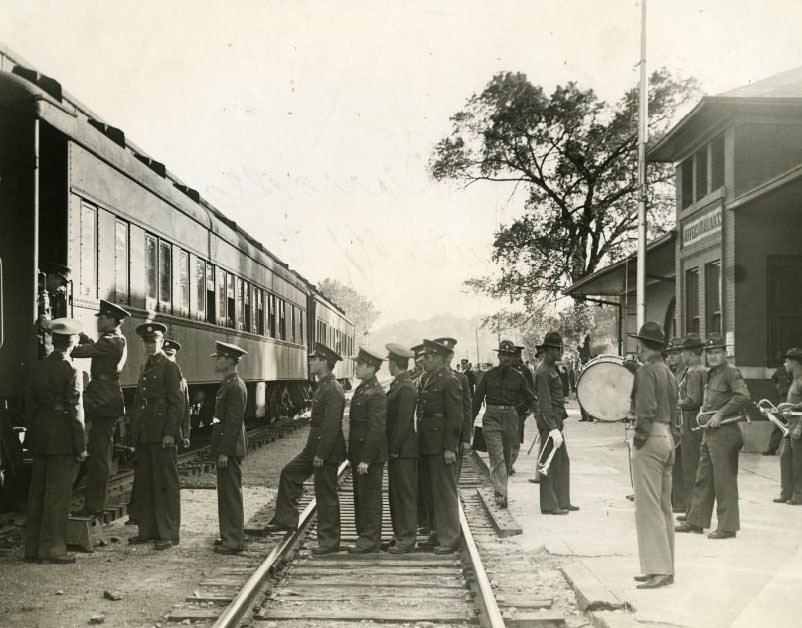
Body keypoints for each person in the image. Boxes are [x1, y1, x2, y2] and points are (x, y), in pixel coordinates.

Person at [263, 343, 346, 554]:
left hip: (326, 450)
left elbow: (331, 426)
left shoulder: (333, 389)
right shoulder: (323, 386)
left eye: (314, 359)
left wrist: (321, 454)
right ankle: (286, 520)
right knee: (289, 473)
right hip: (315, 447)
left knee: (325, 494)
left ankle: (329, 542)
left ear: (325, 362)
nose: (310, 362)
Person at [24, 318, 87, 564]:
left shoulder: (38, 367)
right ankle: (53, 549)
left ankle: (32, 548)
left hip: (40, 436)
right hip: (62, 438)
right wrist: (81, 446)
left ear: (54, 340)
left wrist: (35, 430)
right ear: (72, 343)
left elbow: (29, 406)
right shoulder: (72, 370)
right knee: (58, 495)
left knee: (37, 492)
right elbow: (75, 411)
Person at [677, 333, 750, 539]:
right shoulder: (711, 373)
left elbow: (743, 396)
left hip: (726, 433)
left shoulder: (731, 372)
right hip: (710, 433)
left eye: (717, 352)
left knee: (724, 481)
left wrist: (720, 414)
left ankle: (727, 527)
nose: (713, 356)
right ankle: (696, 521)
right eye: (710, 353)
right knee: (703, 478)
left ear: (725, 353)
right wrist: (704, 412)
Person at [628, 322, 678, 589]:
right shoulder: (668, 372)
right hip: (667, 436)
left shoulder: (647, 372)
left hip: (650, 438)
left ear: (642, 346)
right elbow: (676, 408)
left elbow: (645, 411)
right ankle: (665, 567)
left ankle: (657, 569)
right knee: (663, 507)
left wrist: (638, 440)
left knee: (647, 507)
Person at [70, 299, 130, 518]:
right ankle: (94, 503)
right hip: (102, 398)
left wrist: (65, 342)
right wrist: (81, 333)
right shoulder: (111, 339)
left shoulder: (113, 341)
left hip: (104, 401)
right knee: (98, 454)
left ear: (112, 320)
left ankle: (95, 506)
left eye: (102, 318)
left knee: (100, 457)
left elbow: (86, 350)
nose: (99, 321)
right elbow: (94, 344)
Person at [128, 322, 185, 550]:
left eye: (154, 341)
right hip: (146, 432)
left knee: (165, 484)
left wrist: (170, 432)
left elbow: (177, 403)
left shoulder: (169, 367)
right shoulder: (147, 365)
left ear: (161, 342)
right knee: (146, 483)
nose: (150, 345)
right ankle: (148, 530)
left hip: (162, 433)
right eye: (146, 342)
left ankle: (169, 533)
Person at [472, 339, 537, 508]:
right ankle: (501, 494)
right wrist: (468, 426)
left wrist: (530, 413)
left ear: (512, 356)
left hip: (511, 418)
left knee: (506, 458)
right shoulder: (489, 375)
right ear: (499, 356)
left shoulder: (519, 377)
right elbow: (476, 401)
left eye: (510, 355)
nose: (506, 359)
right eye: (503, 355)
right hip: (492, 418)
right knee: (497, 457)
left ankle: (501, 487)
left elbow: (531, 398)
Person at [418, 338, 463, 553]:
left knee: (444, 492)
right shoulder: (429, 378)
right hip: (428, 443)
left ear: (437, 357)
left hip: (440, 444)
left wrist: (450, 447)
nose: (423, 361)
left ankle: (450, 537)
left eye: (426, 357)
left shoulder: (449, 380)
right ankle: (437, 533)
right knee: (431, 492)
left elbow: (455, 416)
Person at [347, 347, 388, 554]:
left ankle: (370, 539)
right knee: (361, 496)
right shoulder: (364, 388)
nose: (356, 367)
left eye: (360, 364)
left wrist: (366, 459)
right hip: (359, 453)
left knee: (369, 497)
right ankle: (364, 535)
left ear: (371, 367)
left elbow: (376, 429)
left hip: (368, 455)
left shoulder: (376, 393)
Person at [210, 341, 248, 554]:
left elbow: (233, 422)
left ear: (231, 361)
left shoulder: (234, 386)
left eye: (221, 358)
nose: (218, 361)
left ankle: (233, 541)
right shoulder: (229, 384)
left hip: (230, 449)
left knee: (231, 495)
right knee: (226, 494)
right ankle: (228, 535)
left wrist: (224, 451)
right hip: (228, 447)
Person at [535, 332, 577, 515]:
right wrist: (552, 428)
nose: (561, 352)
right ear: (549, 350)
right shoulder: (543, 371)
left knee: (562, 461)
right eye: (558, 349)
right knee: (549, 462)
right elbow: (544, 403)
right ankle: (549, 505)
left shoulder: (552, 369)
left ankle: (562, 501)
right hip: (549, 422)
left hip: (557, 421)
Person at [384, 343, 418, 553]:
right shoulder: (401, 384)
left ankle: (407, 538)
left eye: (389, 362)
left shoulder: (405, 387)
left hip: (404, 450)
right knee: (396, 494)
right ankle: (400, 536)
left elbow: (403, 422)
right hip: (401, 450)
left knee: (404, 495)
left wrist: (393, 448)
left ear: (393, 364)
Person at [676, 333, 706, 522]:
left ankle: (693, 513)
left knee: (691, 468)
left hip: (691, 421)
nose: (682, 356)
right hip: (695, 422)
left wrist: (677, 402)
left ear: (690, 353)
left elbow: (693, 400)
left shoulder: (694, 372)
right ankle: (691, 509)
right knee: (694, 468)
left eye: (683, 352)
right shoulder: (701, 370)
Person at [433, 338, 472, 473]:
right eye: (443, 353)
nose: (447, 357)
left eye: (449, 353)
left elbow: (466, 409)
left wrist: (466, 438)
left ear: (452, 355)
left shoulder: (461, 378)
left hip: (455, 436)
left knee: (452, 478)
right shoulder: (428, 378)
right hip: (433, 437)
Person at [774, 347, 802, 505]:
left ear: (795, 363)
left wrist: (795, 408)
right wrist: (788, 407)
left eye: (787, 361)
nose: (785, 364)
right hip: (791, 427)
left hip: (798, 428)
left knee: (798, 462)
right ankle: (786, 493)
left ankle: (799, 495)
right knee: (785, 458)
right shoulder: (795, 380)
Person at [665, 337, 687, 513]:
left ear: (683, 354)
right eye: (669, 353)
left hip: (685, 422)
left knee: (681, 464)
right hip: (671, 421)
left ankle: (681, 502)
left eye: (675, 353)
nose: (671, 357)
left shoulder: (688, 373)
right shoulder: (670, 372)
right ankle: (673, 500)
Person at [36, 263, 71, 358]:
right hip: (37, 349)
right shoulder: (37, 294)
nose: (63, 288)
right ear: (51, 277)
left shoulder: (48, 295)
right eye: (62, 283)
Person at [510, 345, 535, 473]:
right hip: (507, 408)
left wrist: (529, 408)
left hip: (519, 410)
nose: (516, 358)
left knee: (515, 439)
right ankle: (507, 464)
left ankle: (509, 465)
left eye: (517, 356)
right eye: (513, 356)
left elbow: (531, 390)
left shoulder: (525, 371)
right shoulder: (506, 369)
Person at [163, 340, 191, 449]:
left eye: (170, 355)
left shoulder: (181, 381)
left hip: (172, 432)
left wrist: (185, 435)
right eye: (164, 354)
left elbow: (185, 409)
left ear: (174, 356)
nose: (167, 358)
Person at [765, 359, 792, 455]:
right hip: (784, 401)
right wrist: (779, 389)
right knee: (778, 424)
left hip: (793, 401)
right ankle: (772, 448)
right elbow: (773, 379)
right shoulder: (780, 370)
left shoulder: (795, 371)